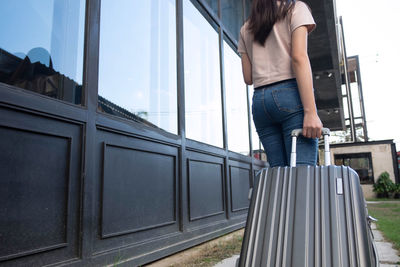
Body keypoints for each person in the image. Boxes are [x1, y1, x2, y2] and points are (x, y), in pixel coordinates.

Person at [238, 0, 323, 167]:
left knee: (279, 177)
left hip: (260, 102)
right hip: (290, 96)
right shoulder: (295, 9)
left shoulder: (246, 28)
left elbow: (248, 77)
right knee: (301, 175)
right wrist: (311, 112)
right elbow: (299, 58)